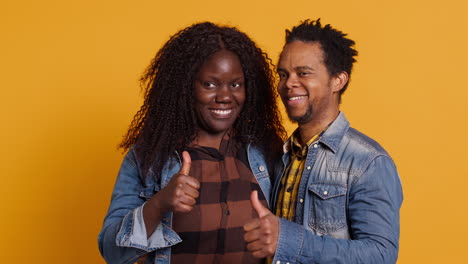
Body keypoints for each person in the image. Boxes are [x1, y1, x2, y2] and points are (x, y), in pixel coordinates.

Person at [98, 22, 286, 264]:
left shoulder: (268, 154)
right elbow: (112, 253)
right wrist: (157, 205)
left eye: (235, 84)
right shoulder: (148, 158)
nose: (225, 96)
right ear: (185, 87)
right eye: (210, 84)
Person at [243, 19, 403, 263]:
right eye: (283, 74)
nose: (289, 84)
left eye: (303, 73)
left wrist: (287, 240)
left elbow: (381, 255)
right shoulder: (282, 156)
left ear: (338, 81)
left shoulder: (368, 161)